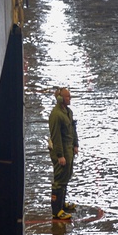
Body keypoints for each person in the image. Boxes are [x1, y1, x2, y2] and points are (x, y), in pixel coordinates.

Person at [48, 87, 79, 221]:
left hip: (69, 149)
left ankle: (62, 204)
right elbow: (56, 137)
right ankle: (57, 210)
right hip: (62, 151)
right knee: (59, 180)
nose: (69, 98)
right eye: (67, 97)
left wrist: (75, 144)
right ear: (60, 99)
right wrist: (60, 155)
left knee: (66, 177)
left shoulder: (68, 112)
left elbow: (73, 129)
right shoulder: (56, 115)